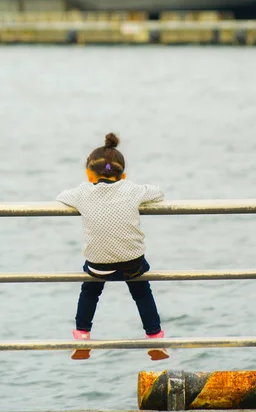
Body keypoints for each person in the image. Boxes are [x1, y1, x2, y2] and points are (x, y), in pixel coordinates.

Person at [56, 132, 169, 361]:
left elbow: (61, 196)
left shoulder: (82, 192)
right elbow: (158, 193)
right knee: (142, 293)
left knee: (89, 291)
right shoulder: (133, 189)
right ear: (123, 174)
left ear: (89, 174)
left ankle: (82, 338)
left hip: (99, 265)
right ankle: (155, 338)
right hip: (132, 263)